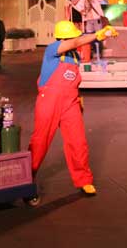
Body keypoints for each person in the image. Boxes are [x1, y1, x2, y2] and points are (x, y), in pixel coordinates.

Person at [29, 20, 117, 197]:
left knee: (78, 142)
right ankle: (27, 176)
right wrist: (98, 34)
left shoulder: (74, 56)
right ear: (65, 37)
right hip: (49, 101)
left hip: (71, 102)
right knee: (40, 141)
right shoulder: (52, 49)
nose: (77, 39)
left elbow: (73, 79)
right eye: (74, 35)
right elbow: (77, 42)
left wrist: (78, 99)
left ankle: (84, 180)